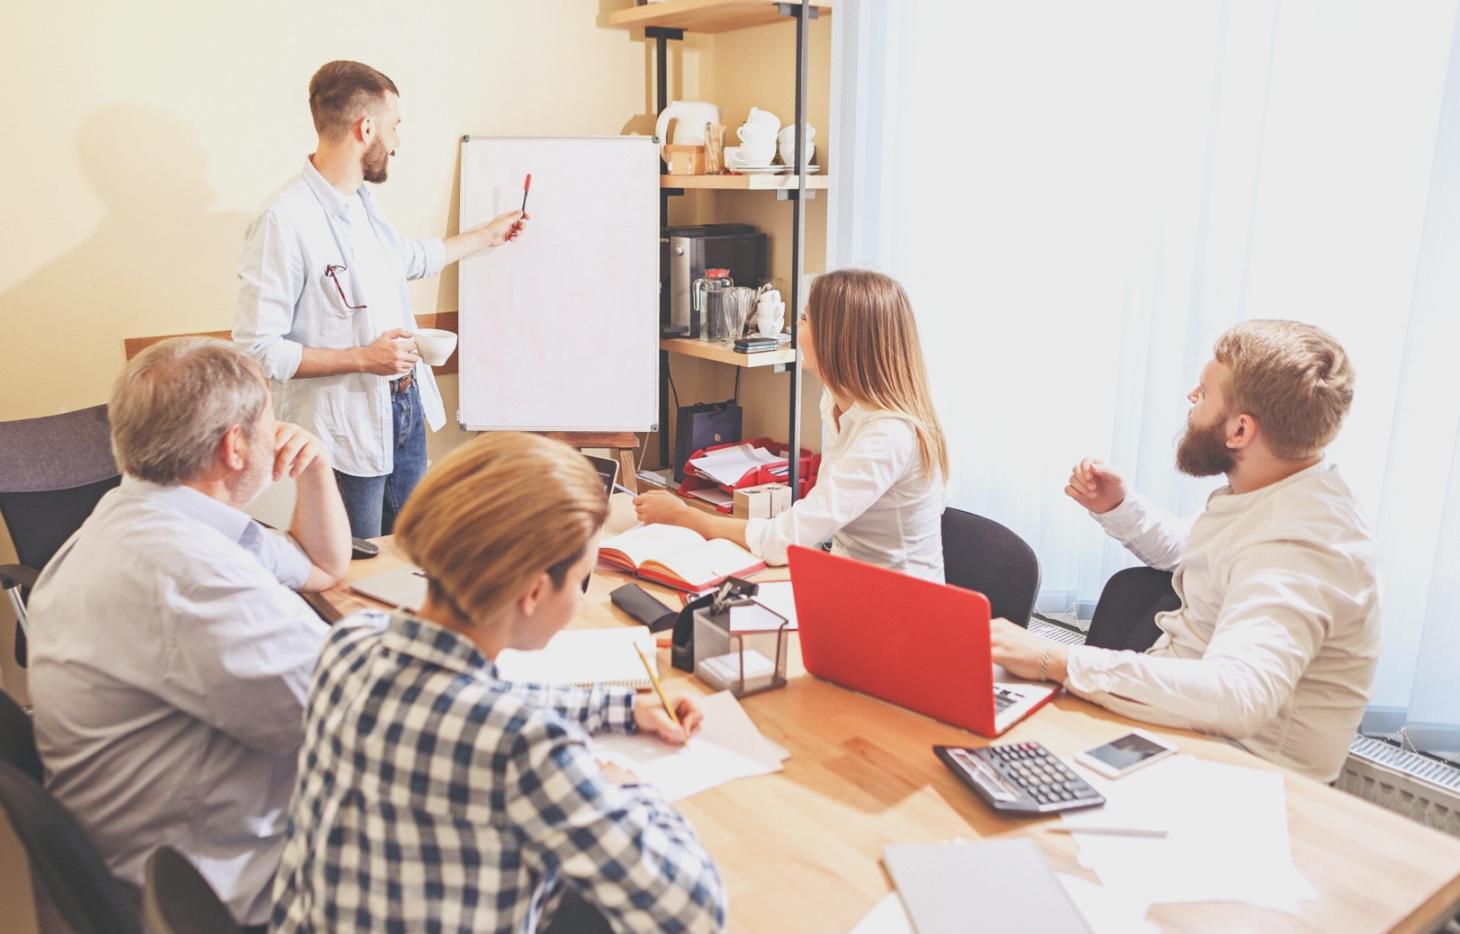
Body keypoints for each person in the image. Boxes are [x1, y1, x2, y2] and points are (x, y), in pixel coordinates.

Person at [271, 432, 726, 932]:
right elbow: (696, 910)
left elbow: (471, 699)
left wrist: (617, 708)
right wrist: (630, 789)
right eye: (582, 580)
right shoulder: (525, 750)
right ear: (533, 592)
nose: (579, 597)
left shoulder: (353, 642)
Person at [26, 338, 350, 926]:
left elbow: (323, 569)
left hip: (171, 851)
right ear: (235, 447)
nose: (278, 433)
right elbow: (357, 722)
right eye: (270, 419)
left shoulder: (147, 518)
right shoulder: (186, 574)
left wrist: (317, 467)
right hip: (223, 888)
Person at [990, 320, 1379, 783]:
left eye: (1205, 393)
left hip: (1238, 779)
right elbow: (1192, 553)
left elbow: (1236, 695)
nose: (1192, 398)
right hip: (1173, 736)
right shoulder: (1284, 486)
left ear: (1239, 430)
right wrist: (1118, 506)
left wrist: (1054, 659)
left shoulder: (1300, 547)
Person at [234, 60, 528, 538]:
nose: (396, 143)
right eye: (394, 127)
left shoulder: (362, 203)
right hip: (341, 430)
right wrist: (364, 358)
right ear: (365, 127)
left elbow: (409, 258)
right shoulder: (283, 221)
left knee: (413, 550)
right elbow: (257, 350)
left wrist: (488, 236)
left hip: (403, 406)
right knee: (355, 566)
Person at [635, 268, 950, 582]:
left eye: (804, 318)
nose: (795, 328)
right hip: (847, 583)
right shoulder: (836, 405)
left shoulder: (888, 435)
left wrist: (686, 517)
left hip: (898, 608)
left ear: (837, 338)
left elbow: (784, 540)